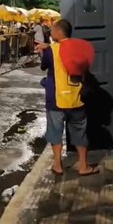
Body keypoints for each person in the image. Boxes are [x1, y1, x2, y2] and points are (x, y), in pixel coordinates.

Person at [35, 19, 98, 177]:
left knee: (55, 133)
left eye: (53, 30)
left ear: (59, 32)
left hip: (56, 100)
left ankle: (57, 165)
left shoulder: (52, 51)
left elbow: (44, 66)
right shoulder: (79, 48)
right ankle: (83, 166)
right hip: (77, 99)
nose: (51, 32)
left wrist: (43, 51)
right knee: (80, 134)